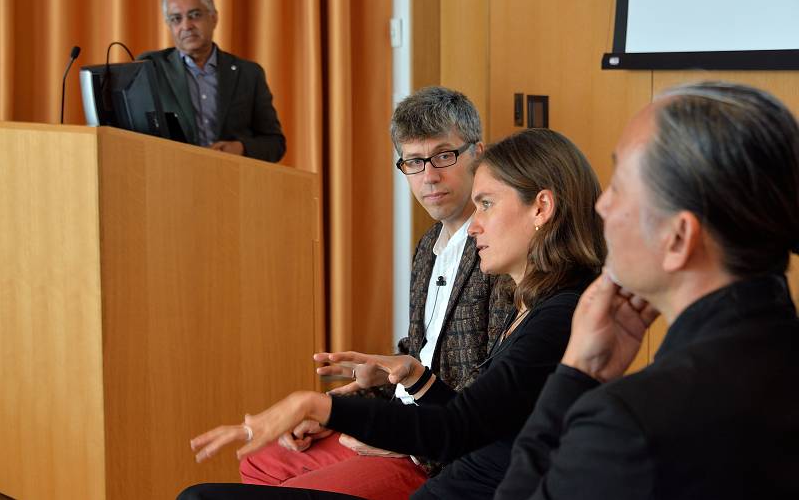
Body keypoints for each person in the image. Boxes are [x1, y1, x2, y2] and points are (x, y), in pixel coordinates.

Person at [179, 127, 606, 499]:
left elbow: (455, 431)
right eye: (414, 162)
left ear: (541, 208)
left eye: (487, 204)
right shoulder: (537, 305)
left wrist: (316, 405)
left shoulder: (559, 316)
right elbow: (481, 419)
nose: (476, 224)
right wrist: (415, 376)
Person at [492, 82, 799, 499]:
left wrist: (575, 374)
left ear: (678, 238)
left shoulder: (628, 426)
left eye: (619, 186)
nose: (602, 206)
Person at [237, 86, 510, 499]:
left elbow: (490, 391)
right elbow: (417, 358)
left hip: (434, 451)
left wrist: (404, 438)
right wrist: (344, 408)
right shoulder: (428, 246)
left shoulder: (500, 248)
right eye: (414, 162)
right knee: (259, 459)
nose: (429, 176)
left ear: (478, 154)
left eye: (444, 156)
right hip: (400, 417)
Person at [138, 0, 286, 162]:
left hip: (234, 180)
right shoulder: (150, 67)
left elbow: (274, 143)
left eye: (194, 15)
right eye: (176, 19)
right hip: (173, 177)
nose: (186, 26)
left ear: (214, 18)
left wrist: (240, 148)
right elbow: (135, 136)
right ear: (169, 26)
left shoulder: (249, 74)